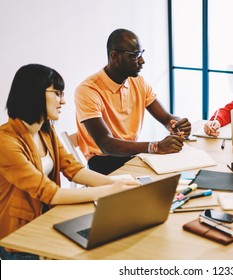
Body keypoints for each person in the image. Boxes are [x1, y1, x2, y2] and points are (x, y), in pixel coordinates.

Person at [0, 64, 138, 260]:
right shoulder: (5, 142)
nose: (63, 101)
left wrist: (116, 183)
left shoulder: (45, 131)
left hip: (48, 220)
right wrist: (109, 191)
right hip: (20, 236)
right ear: (34, 94)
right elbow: (49, 192)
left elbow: (73, 169)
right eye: (57, 93)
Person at [75, 28, 191, 175]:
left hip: (130, 156)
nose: (142, 61)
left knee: (176, 174)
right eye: (135, 55)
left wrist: (177, 124)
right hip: (103, 162)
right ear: (115, 56)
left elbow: (166, 118)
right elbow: (106, 144)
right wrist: (155, 147)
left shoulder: (138, 82)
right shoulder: (88, 90)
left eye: (141, 53)